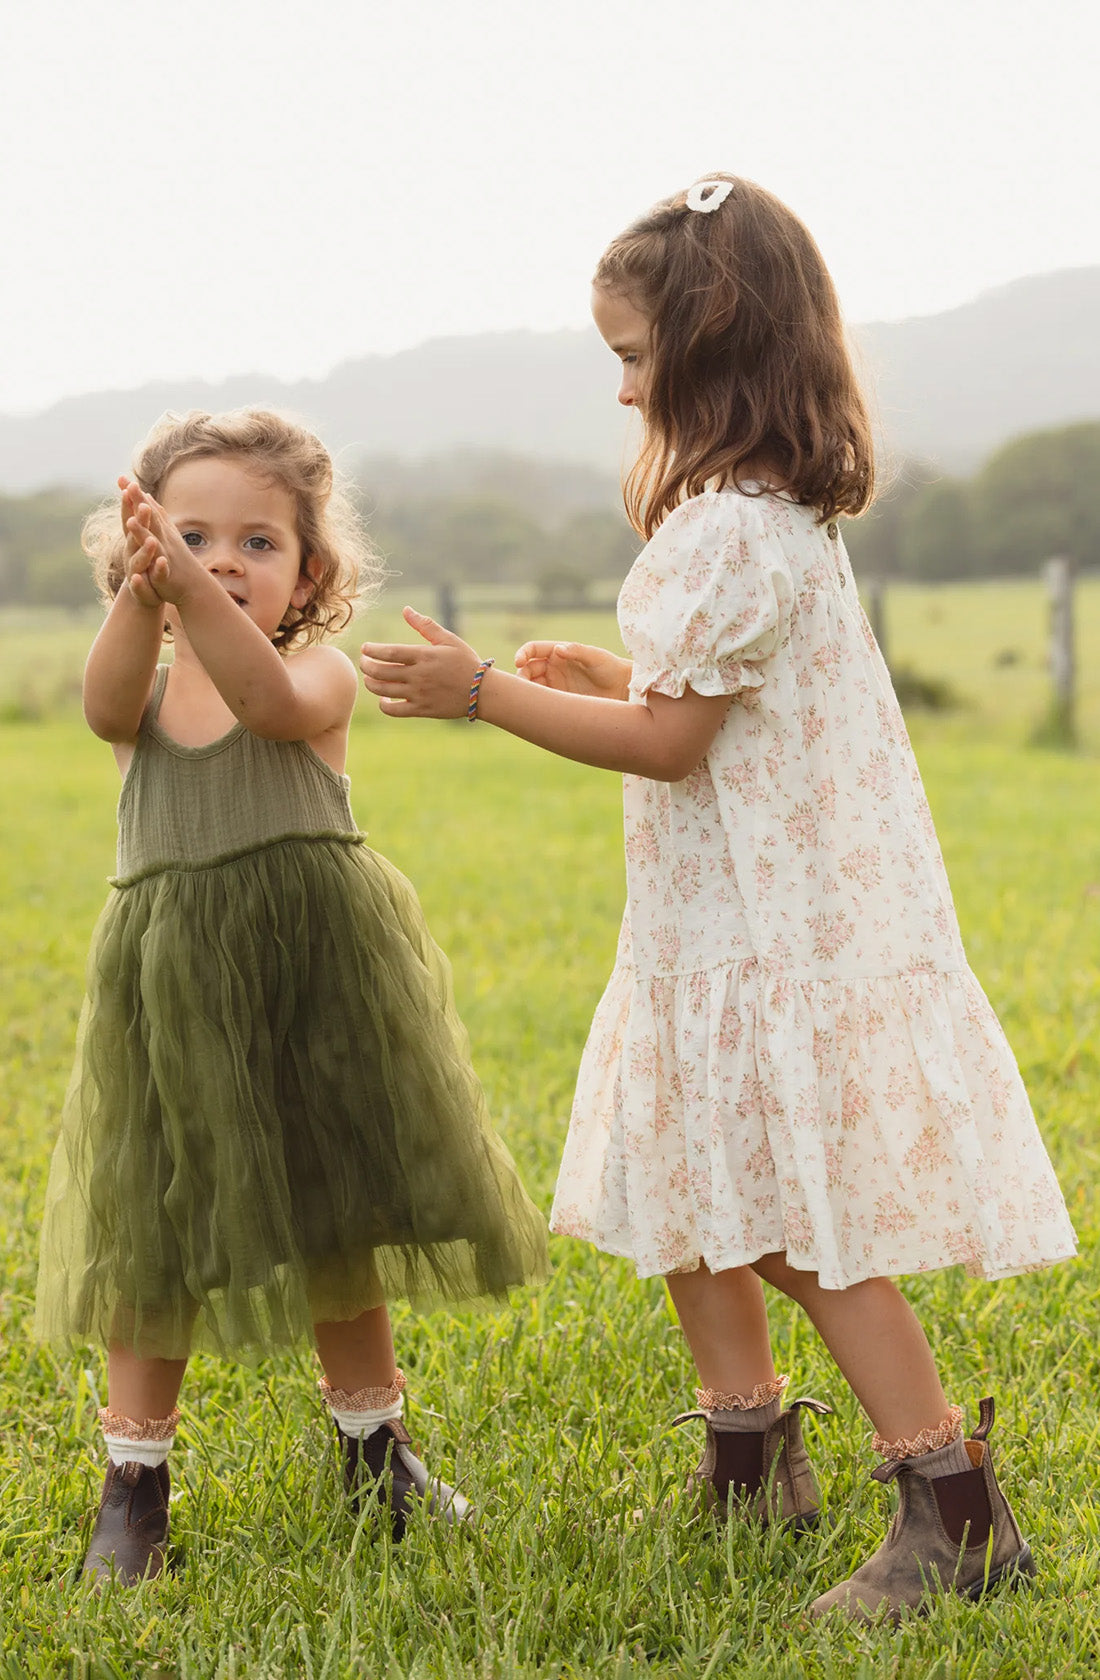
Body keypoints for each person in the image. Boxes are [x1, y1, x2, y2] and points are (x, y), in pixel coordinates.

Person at [358, 176, 1077, 1622]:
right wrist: (616, 674)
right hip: (734, 928)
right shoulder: (766, 518)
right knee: (701, 1191)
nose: (623, 393)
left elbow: (676, 749)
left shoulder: (723, 535)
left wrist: (483, 694)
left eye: (634, 358)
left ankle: (953, 1507)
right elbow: (722, 714)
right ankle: (750, 1451)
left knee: (804, 1233)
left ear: (714, 345)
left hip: (771, 934)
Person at [36, 408, 548, 1586]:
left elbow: (263, 701)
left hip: (314, 976)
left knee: (335, 1218)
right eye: (191, 536)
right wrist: (142, 593)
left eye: (257, 543)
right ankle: (133, 1487)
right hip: (174, 987)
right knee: (155, 1238)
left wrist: (188, 585)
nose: (223, 560)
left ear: (310, 572)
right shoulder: (148, 687)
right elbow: (104, 710)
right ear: (141, 556)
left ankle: (377, 1453)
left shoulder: (311, 674)